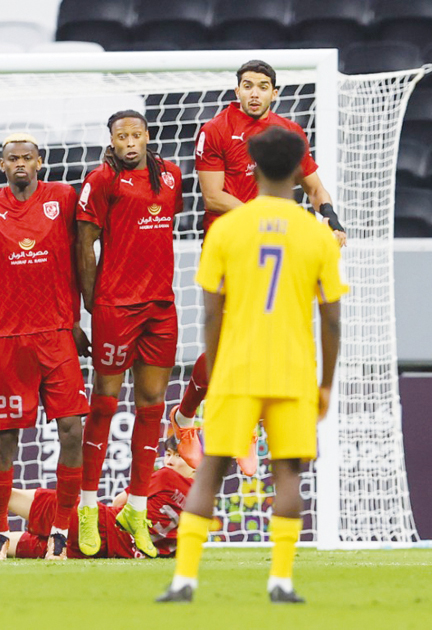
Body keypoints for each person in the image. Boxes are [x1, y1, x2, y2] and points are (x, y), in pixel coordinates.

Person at [156, 127, 346, 604]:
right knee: (287, 475)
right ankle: (280, 581)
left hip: (237, 371)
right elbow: (333, 321)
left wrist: (218, 372)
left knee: (210, 471)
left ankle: (184, 580)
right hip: (293, 372)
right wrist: (325, 383)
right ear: (301, 171)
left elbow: (212, 314)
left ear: (254, 168)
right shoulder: (316, 235)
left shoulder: (227, 229)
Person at [173, 59, 348, 476]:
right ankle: (185, 421)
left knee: (266, 336)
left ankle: (221, 423)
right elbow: (213, 196)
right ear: (237, 90)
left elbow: (315, 186)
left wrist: (332, 217)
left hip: (276, 252)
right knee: (233, 340)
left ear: (275, 93)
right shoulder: (215, 130)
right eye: (247, 85)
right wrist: (266, 217)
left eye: (262, 86)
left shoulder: (290, 133)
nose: (254, 92)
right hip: (230, 246)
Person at [0, 133, 90, 560]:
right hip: (6, 337)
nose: (20, 164)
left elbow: (82, 250)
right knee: (7, 439)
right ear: (2, 166)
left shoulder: (64, 197)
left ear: (40, 163)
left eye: (27, 158)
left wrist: (76, 320)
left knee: (73, 429)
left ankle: (61, 529)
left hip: (55, 334)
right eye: (12, 158)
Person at [76, 110, 185, 559]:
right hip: (115, 306)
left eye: (136, 135)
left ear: (146, 136)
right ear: (112, 140)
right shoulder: (100, 182)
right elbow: (84, 244)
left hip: (160, 307)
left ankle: (135, 508)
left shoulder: (172, 176)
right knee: (103, 402)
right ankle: (85, 507)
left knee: (151, 406)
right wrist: (90, 304)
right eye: (122, 136)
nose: (130, 142)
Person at [0, 435, 194, 560]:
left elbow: (117, 502)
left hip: (87, 521)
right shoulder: (198, 506)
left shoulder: (165, 477)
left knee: (3, 493)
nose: (168, 461)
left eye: (175, 455)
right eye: (167, 454)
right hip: (90, 551)